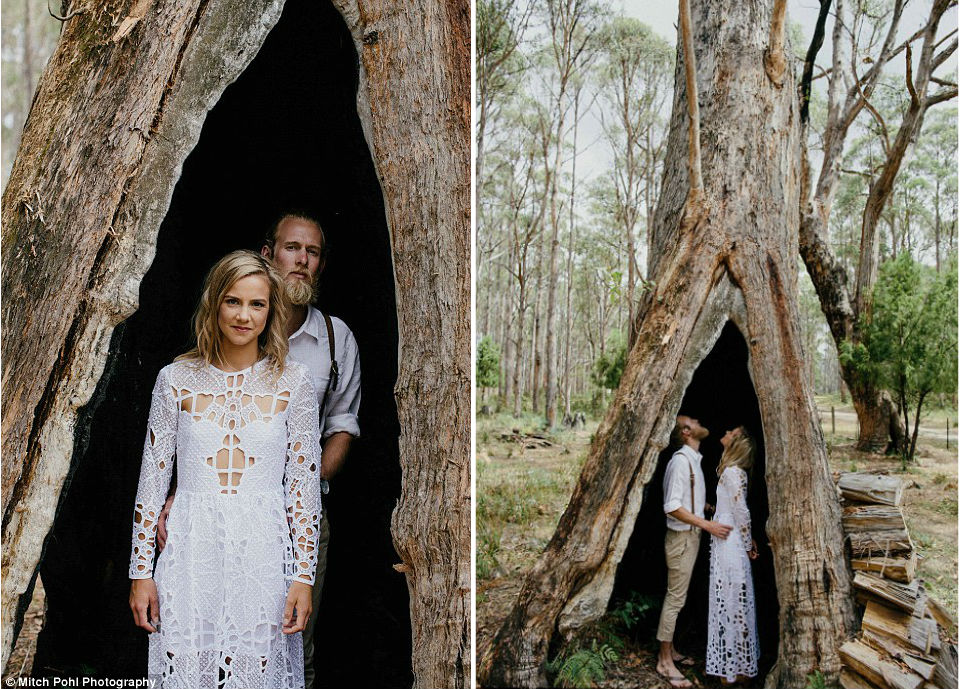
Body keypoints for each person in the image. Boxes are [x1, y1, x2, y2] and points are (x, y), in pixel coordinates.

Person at [156, 212, 361, 689]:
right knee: (202, 640)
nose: (302, 260)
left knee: (286, 641)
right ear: (268, 253)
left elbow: (342, 427)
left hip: (296, 518)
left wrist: (299, 494)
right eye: (293, 248)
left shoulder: (335, 339)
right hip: (212, 520)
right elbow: (202, 424)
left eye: (312, 253)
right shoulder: (219, 345)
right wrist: (186, 494)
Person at [128, 250, 322, 688]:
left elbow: (303, 491)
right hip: (190, 553)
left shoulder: (294, 383)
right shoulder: (174, 380)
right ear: (214, 303)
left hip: (265, 556)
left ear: (271, 311)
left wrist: (303, 578)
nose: (244, 315)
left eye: (257, 304)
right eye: (233, 301)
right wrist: (140, 572)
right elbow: (152, 480)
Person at [655, 415, 733, 689]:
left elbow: (686, 501)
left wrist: (705, 508)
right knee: (675, 599)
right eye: (693, 420)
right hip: (682, 539)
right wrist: (706, 524)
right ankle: (664, 661)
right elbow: (672, 506)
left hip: (689, 536)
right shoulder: (680, 462)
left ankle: (671, 649)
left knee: (679, 596)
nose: (700, 421)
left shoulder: (692, 461)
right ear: (687, 432)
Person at [706, 427, 759, 685]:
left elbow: (742, 511)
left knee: (732, 602)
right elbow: (732, 509)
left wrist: (748, 544)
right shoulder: (730, 472)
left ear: (736, 443)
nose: (725, 432)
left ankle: (735, 670)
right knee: (731, 601)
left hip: (730, 543)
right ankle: (735, 666)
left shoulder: (731, 472)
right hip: (728, 538)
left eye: (731, 432)